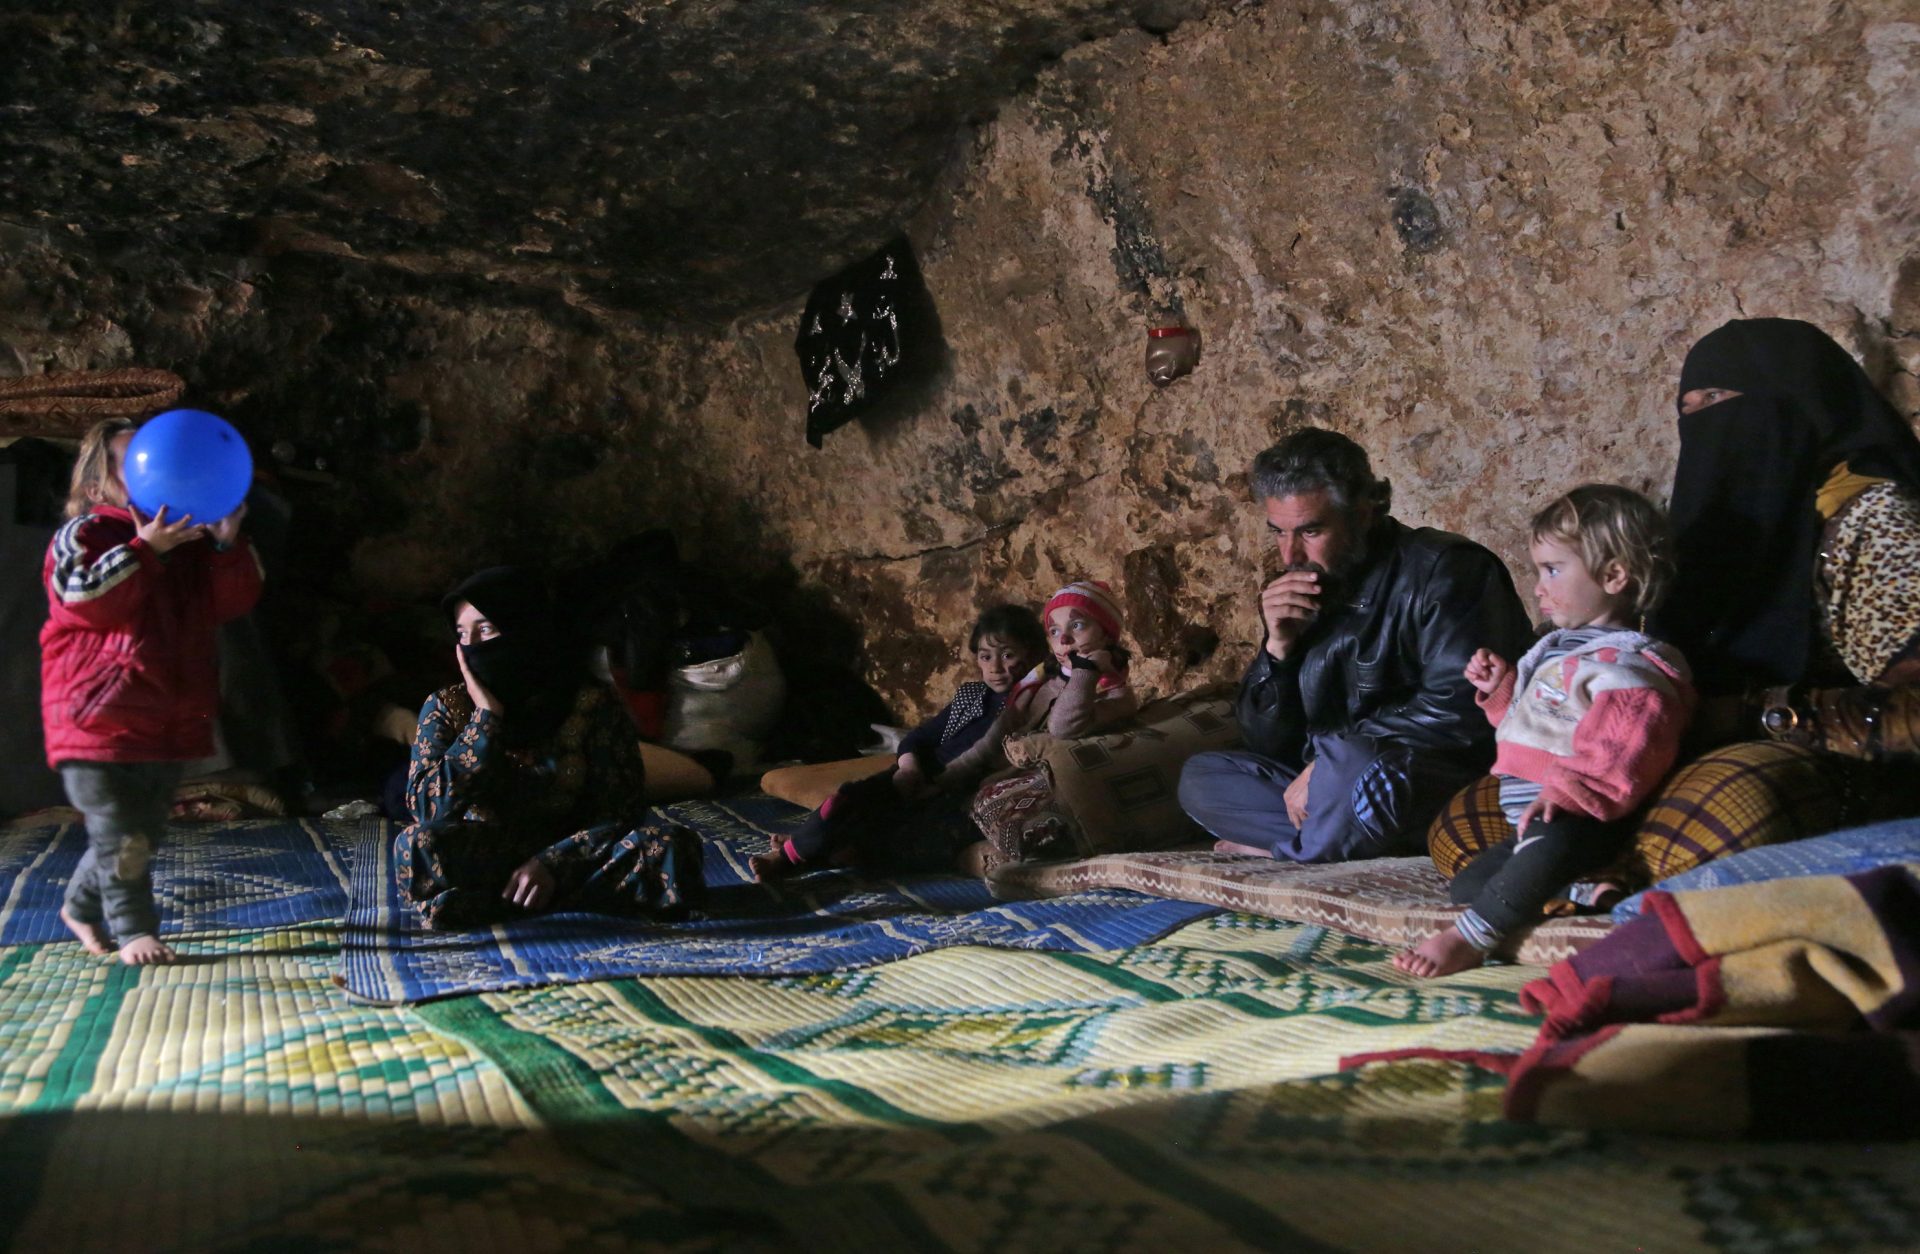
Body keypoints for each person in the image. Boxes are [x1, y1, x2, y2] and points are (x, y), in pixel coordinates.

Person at [1179, 428, 1532, 861]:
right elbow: (1266, 745)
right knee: (1202, 777)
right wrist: (1278, 651)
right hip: (1332, 785)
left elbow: (1461, 711)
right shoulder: (1302, 588)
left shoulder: (1448, 569)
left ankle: (1292, 849)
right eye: (1278, 532)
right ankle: (1328, 836)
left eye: (1310, 531)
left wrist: (1332, 761)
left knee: (1354, 765)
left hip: (1425, 777)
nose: (1290, 555)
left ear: (1364, 513)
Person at [1395, 486, 1693, 978]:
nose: (1538, 587)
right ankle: (1588, 892)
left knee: (1532, 861)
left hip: (1579, 815)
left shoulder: (1627, 666)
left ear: (1615, 575)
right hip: (1528, 815)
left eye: (1552, 570)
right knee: (1468, 885)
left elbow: (1623, 747)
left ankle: (1472, 938)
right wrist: (1502, 692)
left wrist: (1571, 793)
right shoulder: (1558, 651)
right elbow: (1539, 725)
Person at [42, 417, 261, 964]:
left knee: (140, 830)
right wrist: (142, 549)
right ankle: (135, 928)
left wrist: (226, 546)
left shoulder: (190, 546)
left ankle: (79, 905)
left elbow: (230, 604)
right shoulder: (86, 534)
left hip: (164, 719)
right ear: (97, 488)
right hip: (96, 718)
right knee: (123, 836)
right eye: (133, 461)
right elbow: (83, 599)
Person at [1654, 318, 1920, 766]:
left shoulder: (1872, 522)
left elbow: (1911, 717)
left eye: (1717, 398)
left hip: (1859, 782)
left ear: (1796, 399)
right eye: (1690, 409)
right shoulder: (1728, 533)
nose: (1703, 424)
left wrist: (1759, 716)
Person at [395, 566, 702, 930]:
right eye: (463, 634)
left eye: (487, 630)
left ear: (526, 631)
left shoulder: (591, 705)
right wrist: (486, 719)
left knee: (670, 843)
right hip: (489, 854)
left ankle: (499, 907)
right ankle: (570, 906)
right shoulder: (447, 708)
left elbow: (620, 811)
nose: (472, 648)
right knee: (417, 844)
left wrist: (554, 863)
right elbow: (427, 808)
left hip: (577, 857)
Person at [751, 603, 1048, 881]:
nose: (995, 667)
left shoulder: (1029, 705)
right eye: (985, 656)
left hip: (960, 791)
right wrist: (908, 769)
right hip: (918, 776)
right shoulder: (972, 695)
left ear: (1034, 656)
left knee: (899, 838)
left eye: (1008, 655)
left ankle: (807, 850)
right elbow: (920, 737)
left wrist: (938, 787)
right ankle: (789, 857)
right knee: (846, 801)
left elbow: (997, 762)